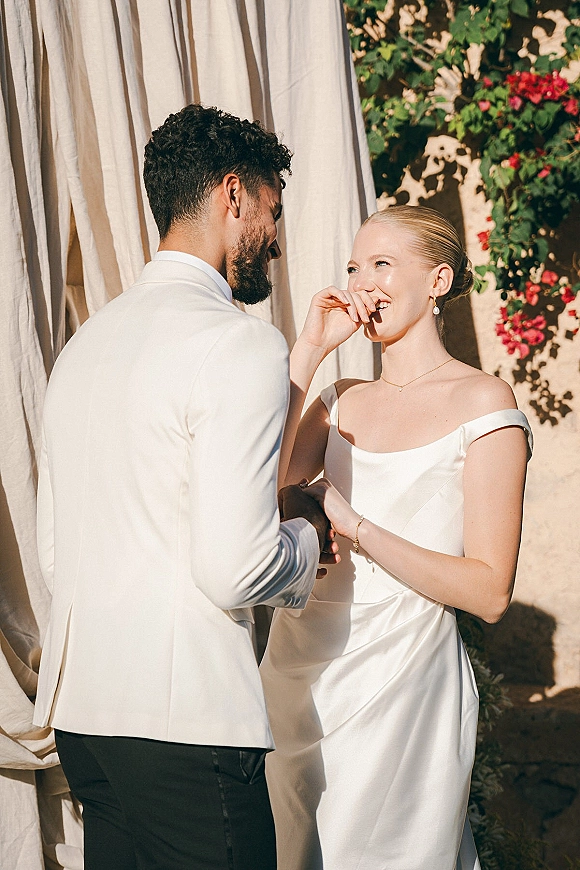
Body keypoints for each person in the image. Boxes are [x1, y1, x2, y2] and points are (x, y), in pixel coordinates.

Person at [33, 104, 338, 870]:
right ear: (232, 196)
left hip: (87, 723)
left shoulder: (86, 346)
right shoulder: (237, 344)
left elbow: (52, 546)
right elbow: (235, 566)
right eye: (272, 210)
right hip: (188, 730)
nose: (276, 234)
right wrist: (305, 537)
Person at [260, 205, 533, 870]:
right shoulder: (343, 397)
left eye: (383, 263)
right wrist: (310, 349)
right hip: (303, 675)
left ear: (437, 279)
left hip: (405, 684)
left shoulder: (484, 403)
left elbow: (490, 590)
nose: (364, 281)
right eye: (355, 266)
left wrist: (357, 527)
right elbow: (260, 480)